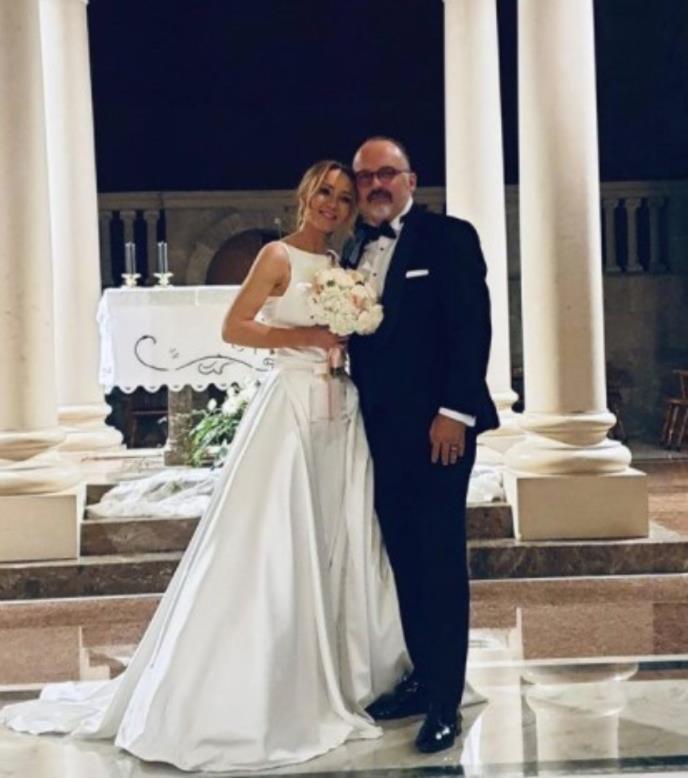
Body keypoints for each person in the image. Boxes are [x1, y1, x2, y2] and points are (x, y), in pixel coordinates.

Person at [0, 161, 410, 772]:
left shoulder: (339, 264)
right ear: (306, 195)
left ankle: (337, 668)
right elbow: (235, 327)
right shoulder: (276, 256)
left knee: (335, 537)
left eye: (344, 197)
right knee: (277, 539)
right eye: (326, 191)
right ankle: (257, 679)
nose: (333, 203)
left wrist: (344, 336)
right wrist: (307, 339)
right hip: (291, 409)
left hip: (338, 413)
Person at [344, 137, 499, 753]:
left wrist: (455, 413)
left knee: (439, 560)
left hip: (440, 431)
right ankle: (423, 673)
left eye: (388, 173)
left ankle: (444, 701)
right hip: (379, 431)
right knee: (405, 558)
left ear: (411, 179)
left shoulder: (448, 237)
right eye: (366, 177)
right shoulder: (354, 247)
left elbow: (471, 327)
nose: (376, 185)